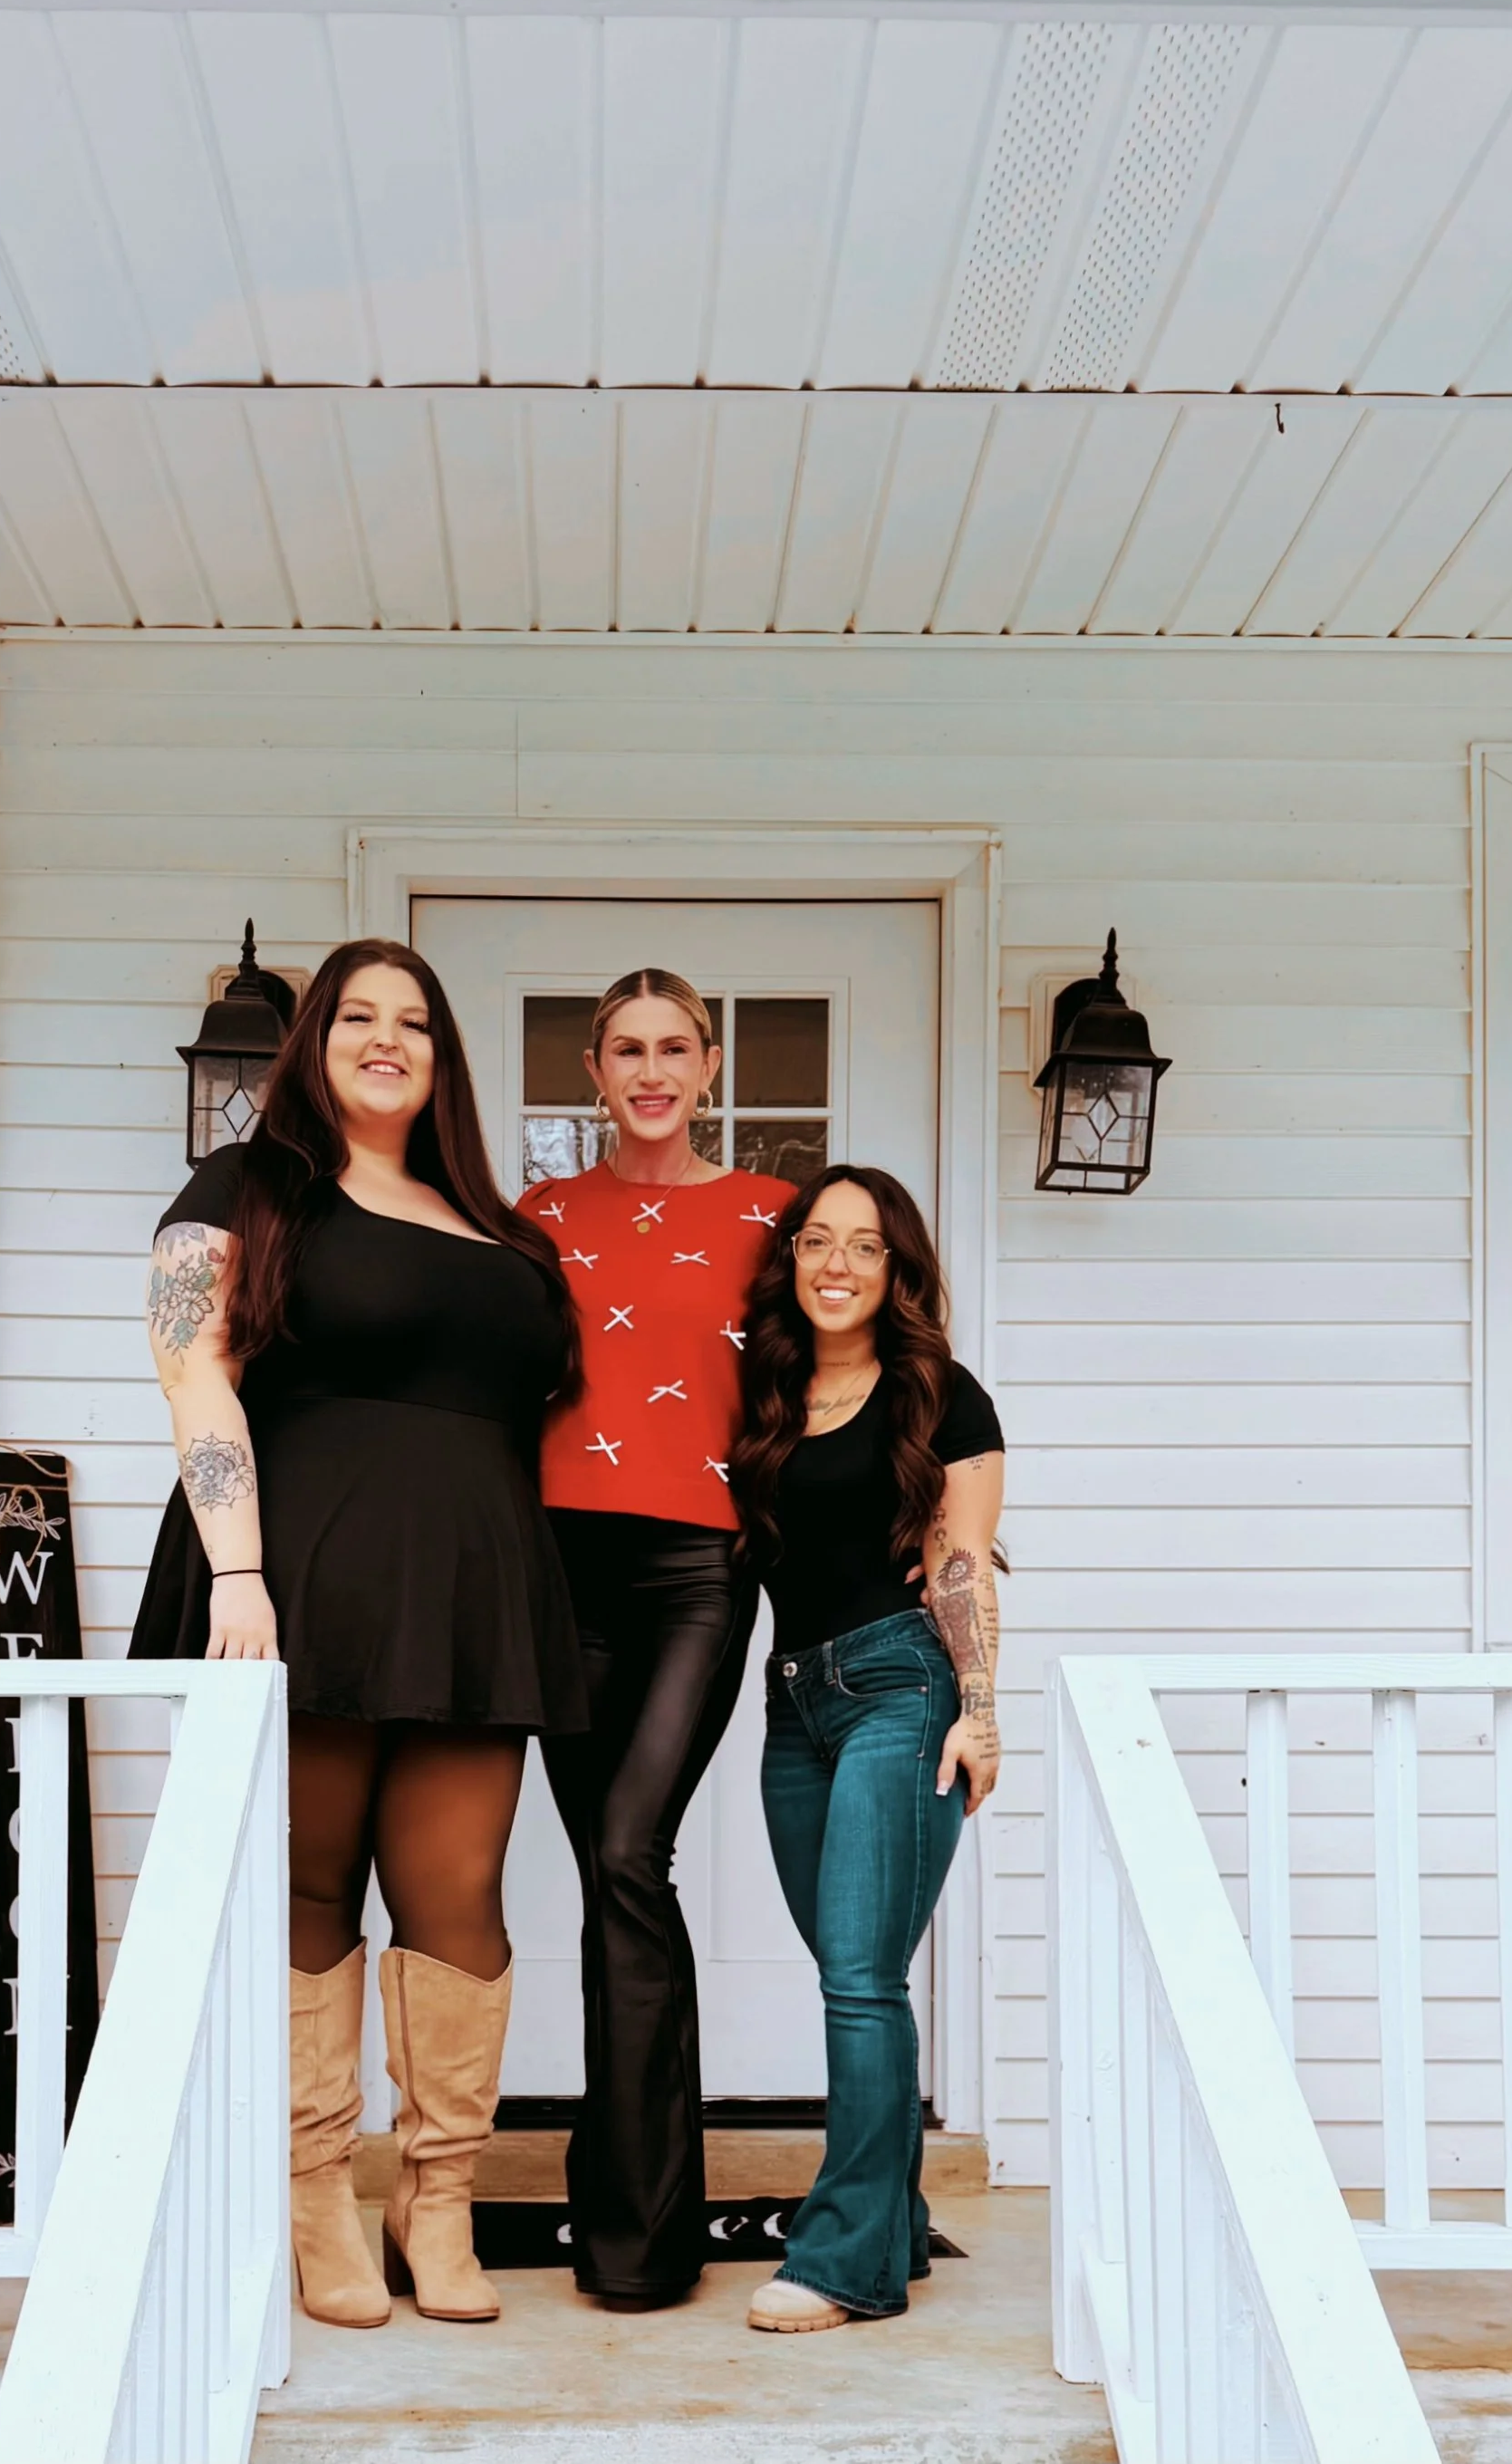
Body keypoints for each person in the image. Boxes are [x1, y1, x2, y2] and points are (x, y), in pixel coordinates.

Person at [130, 938, 584, 2330]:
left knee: (461, 1893)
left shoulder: (496, 1224)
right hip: (301, 1570)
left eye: (416, 1023)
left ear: (444, 1058)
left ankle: (435, 2192)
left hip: (469, 1587)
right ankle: (314, 2189)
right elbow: (190, 1364)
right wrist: (239, 1570)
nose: (387, 1039)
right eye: (359, 1018)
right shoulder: (248, 1182)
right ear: (314, 1040)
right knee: (310, 1887)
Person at [516, 970, 798, 2310]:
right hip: (559, 1566)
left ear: (708, 1062)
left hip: (699, 1563)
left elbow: (836, 1372)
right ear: (593, 1066)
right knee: (608, 1870)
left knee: (633, 1848)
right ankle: (630, 2205)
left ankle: (635, 2225)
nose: (648, 1069)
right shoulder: (537, 1216)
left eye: (672, 1047)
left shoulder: (768, 1215)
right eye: (625, 1048)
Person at [727, 1164, 1004, 2332]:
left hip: (902, 1686)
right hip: (794, 1706)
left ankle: (842, 2263)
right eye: (817, 1242)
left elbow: (959, 1560)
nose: (838, 1264)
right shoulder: (767, 1391)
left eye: (867, 1246)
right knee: (857, 1971)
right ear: (792, 1260)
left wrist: (979, 1708)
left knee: (858, 1977)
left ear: (899, 1271)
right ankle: (890, 2224)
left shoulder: (940, 1393)